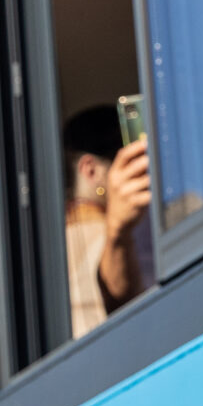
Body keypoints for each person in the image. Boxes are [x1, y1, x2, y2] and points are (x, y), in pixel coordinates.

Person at [62, 105, 152, 336]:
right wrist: (119, 232)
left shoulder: (45, 248)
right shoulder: (124, 237)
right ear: (91, 171)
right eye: (130, 163)